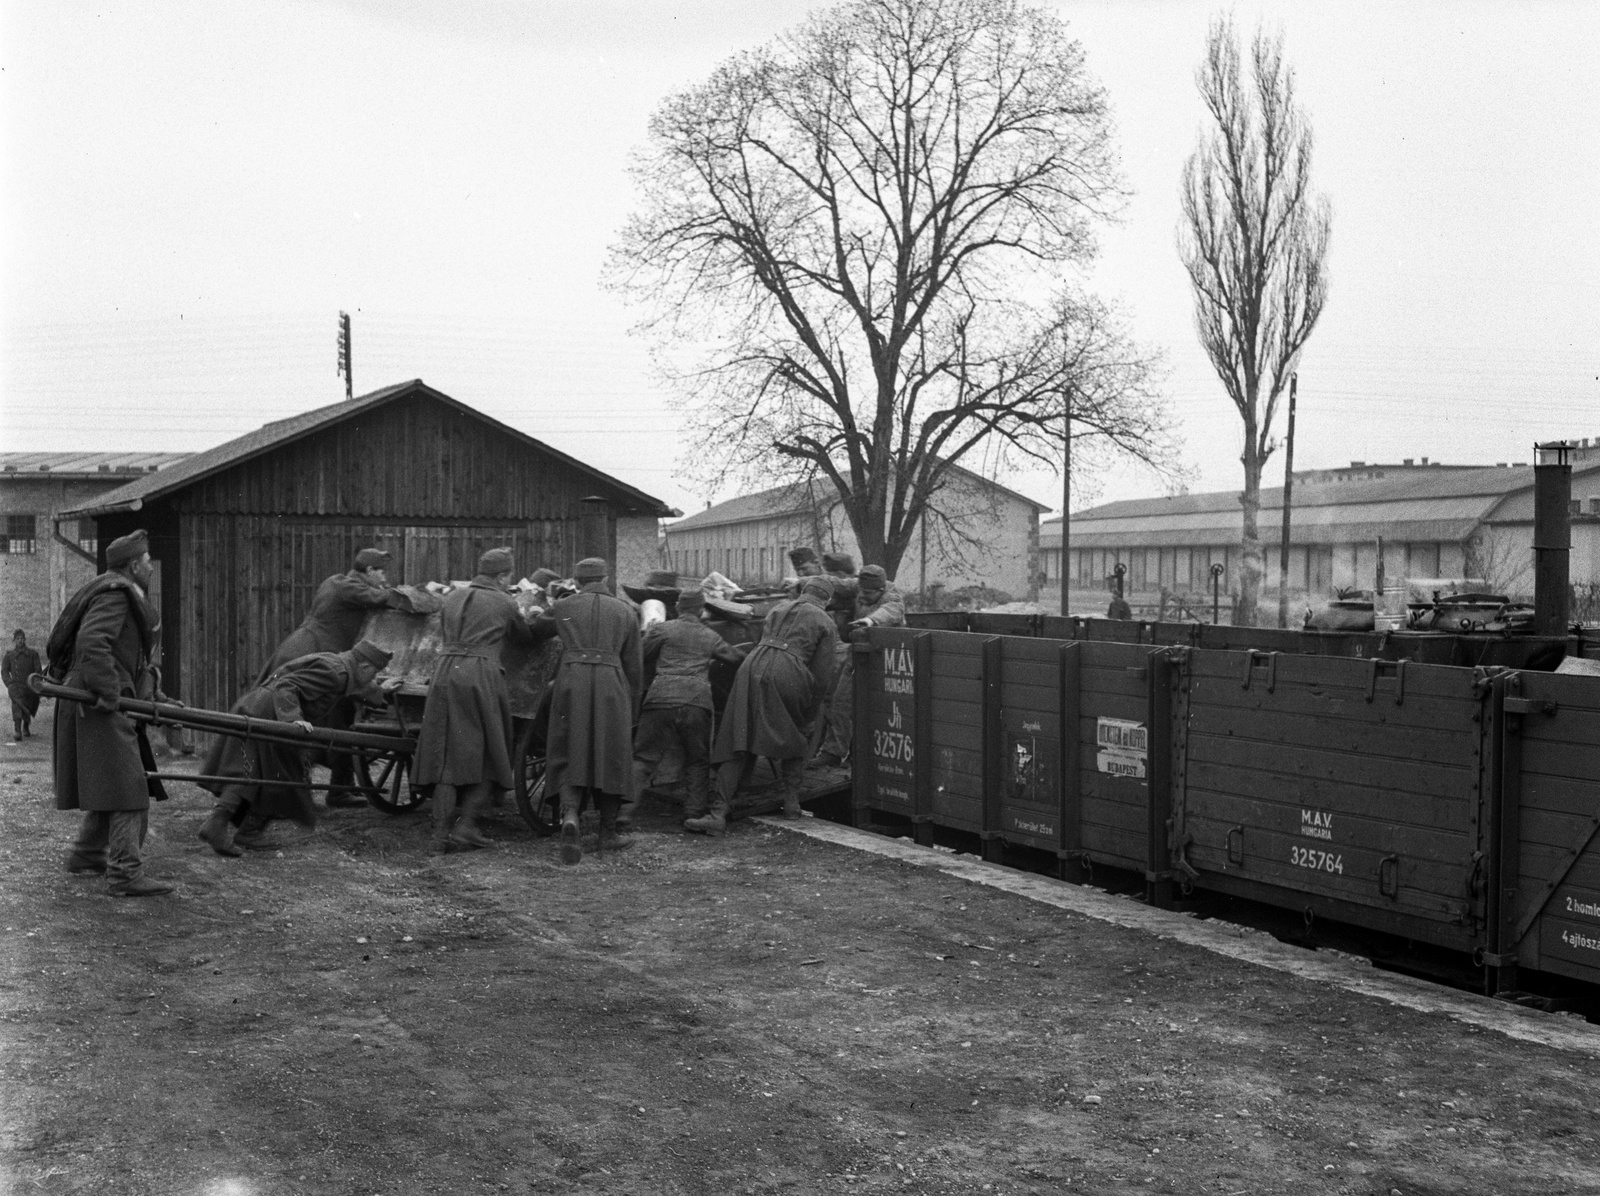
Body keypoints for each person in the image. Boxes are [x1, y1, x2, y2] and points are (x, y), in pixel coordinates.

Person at [46, 529, 173, 897]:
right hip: (95, 701)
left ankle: (86, 855)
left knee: (112, 779)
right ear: (134, 565)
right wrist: (109, 692)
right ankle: (124, 873)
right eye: (148, 563)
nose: (151, 568)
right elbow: (92, 643)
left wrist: (156, 696)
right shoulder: (117, 595)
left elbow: (127, 658)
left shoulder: (121, 591)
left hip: (96, 697)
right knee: (129, 785)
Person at [195, 640, 393, 856]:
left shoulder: (341, 667)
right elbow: (287, 686)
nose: (371, 679)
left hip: (263, 707)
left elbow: (351, 689)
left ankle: (227, 825)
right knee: (281, 772)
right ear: (364, 667)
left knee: (256, 769)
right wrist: (292, 719)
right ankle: (241, 830)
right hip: (270, 711)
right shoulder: (336, 672)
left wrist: (381, 691)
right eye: (373, 674)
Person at [413, 548, 537, 854]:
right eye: (508, 576)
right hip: (480, 674)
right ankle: (466, 826)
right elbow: (524, 637)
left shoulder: (452, 597)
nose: (509, 581)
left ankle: (439, 835)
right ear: (501, 576)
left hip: (444, 672)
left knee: (444, 754)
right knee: (489, 749)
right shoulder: (505, 601)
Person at [259, 547, 394, 808]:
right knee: (307, 722)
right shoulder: (350, 587)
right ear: (369, 571)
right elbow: (383, 598)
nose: (384, 577)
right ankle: (307, 790)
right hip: (315, 651)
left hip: (303, 648)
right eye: (382, 572)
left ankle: (335, 788)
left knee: (332, 720)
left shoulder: (335, 581)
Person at [538, 557, 643, 865]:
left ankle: (570, 816)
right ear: (606, 579)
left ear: (577, 580)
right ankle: (607, 834)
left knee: (570, 746)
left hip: (571, 680)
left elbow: (532, 631)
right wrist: (632, 707)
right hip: (611, 683)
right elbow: (634, 666)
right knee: (613, 752)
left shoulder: (564, 607)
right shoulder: (626, 611)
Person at [711, 575, 839, 822]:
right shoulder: (825, 621)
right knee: (796, 732)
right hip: (789, 669)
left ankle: (717, 813)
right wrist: (810, 716)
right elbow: (822, 676)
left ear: (804, 591)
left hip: (751, 666)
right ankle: (791, 805)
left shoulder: (777, 608)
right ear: (827, 600)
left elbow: (764, 641)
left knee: (740, 731)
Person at [629, 588, 750, 835]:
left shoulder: (662, 629)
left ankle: (621, 814)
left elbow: (639, 656)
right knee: (697, 759)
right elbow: (737, 658)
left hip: (660, 699)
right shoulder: (709, 634)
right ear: (701, 610)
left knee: (643, 759)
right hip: (696, 701)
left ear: (677, 607)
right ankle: (693, 814)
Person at [815, 564, 905, 767]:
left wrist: (870, 621)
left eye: (868, 592)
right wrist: (803, 582)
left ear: (881, 590)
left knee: (877, 710)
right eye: (861, 590)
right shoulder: (860, 586)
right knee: (840, 702)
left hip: (887, 659)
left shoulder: (892, 595)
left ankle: (858, 754)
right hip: (858, 653)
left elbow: (892, 611)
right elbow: (835, 582)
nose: (862, 595)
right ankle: (833, 753)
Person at [3, 629, 43, 743]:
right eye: (18, 639)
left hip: (29, 686)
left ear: (25, 640)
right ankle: (17, 730)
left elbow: (38, 670)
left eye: (22, 639)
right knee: (16, 706)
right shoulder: (9, 655)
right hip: (16, 686)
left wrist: (35, 681)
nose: (20, 641)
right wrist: (9, 683)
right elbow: (4, 671)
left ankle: (26, 726)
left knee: (28, 707)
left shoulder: (33, 654)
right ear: (14, 641)